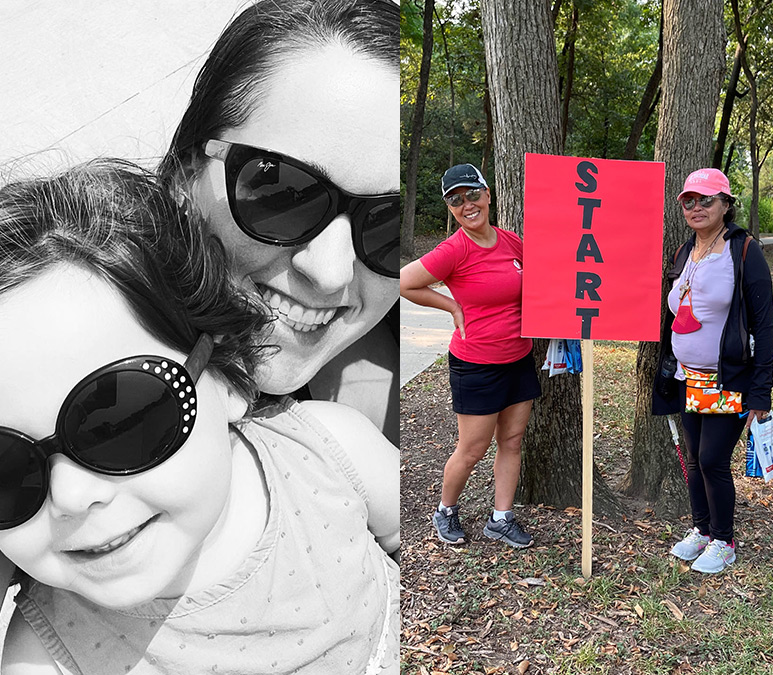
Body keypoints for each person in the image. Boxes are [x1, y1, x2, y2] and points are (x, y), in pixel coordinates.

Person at [0, 161, 403, 674]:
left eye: (122, 422)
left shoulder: (331, 452)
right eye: (4, 470)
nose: (72, 496)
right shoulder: (45, 661)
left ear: (229, 376)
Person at [158, 0, 403, 445]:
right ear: (186, 171)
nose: (331, 274)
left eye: (389, 224)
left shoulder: (382, 399)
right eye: (282, 194)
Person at [397, 164, 540, 549]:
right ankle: (445, 510)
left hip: (519, 357)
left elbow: (545, 276)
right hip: (476, 363)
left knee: (512, 439)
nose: (467, 204)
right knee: (473, 448)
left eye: (472, 194)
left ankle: (502, 518)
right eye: (455, 200)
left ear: (488, 194)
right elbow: (405, 282)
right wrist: (451, 307)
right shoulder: (455, 249)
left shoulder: (512, 242)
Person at [650, 168, 773, 575]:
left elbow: (764, 324)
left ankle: (724, 540)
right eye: (689, 200)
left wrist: (761, 391)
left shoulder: (743, 250)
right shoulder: (684, 252)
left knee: (712, 459)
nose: (697, 207)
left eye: (706, 199)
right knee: (693, 456)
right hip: (687, 376)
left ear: (726, 204)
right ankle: (701, 530)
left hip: (728, 379)